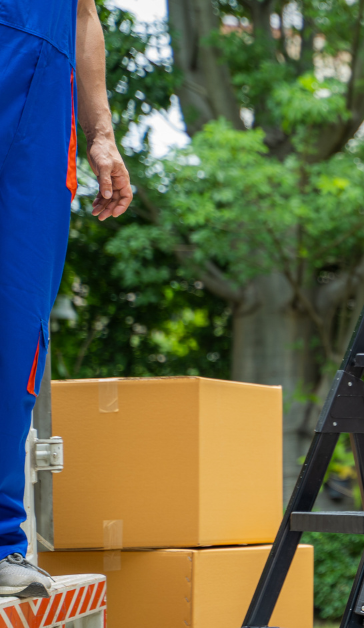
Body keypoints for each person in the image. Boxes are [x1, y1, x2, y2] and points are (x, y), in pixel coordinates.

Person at [0, 0, 131, 598]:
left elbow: (83, 13)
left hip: (42, 108)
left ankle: (1, 544)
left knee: (17, 328)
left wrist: (101, 134)